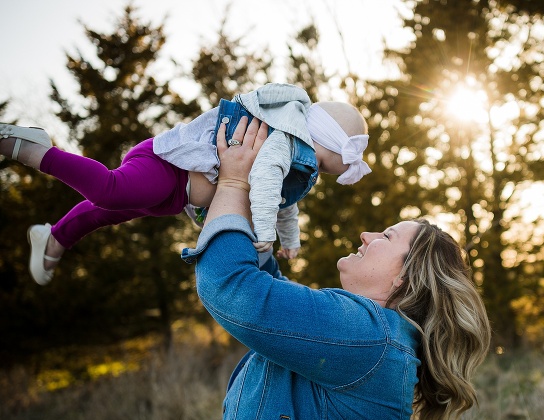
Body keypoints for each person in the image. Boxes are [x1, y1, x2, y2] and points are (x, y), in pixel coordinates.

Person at [178, 117, 491, 420]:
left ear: (406, 278)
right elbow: (267, 287)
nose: (367, 236)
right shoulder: (370, 334)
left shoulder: (368, 335)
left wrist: (234, 183)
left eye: (387, 237)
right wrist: (256, 195)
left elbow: (232, 285)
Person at [0, 82, 371, 286]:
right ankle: (38, 151)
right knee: (109, 191)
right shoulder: (288, 138)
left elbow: (285, 203)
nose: (350, 168)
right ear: (333, 141)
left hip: (176, 193)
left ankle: (55, 238)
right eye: (352, 153)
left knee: (106, 212)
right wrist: (264, 233)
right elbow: (265, 180)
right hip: (169, 167)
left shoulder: (300, 164)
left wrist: (290, 238)